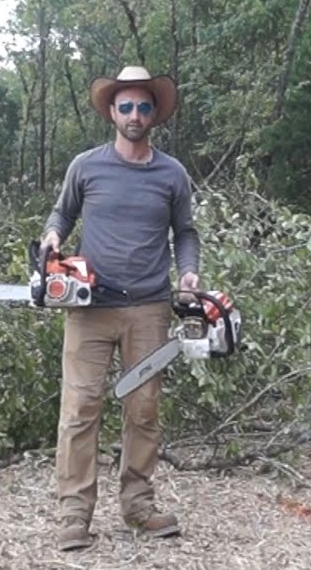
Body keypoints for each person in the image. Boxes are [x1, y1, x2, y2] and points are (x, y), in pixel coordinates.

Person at [38, 65, 201, 551]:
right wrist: (51, 240)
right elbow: (62, 213)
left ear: (154, 114)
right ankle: (73, 513)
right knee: (80, 408)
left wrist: (188, 272)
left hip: (150, 307)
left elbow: (185, 232)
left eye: (143, 107)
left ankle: (138, 504)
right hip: (89, 306)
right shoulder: (86, 166)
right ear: (112, 111)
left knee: (144, 409)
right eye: (125, 106)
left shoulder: (172, 173)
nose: (134, 114)